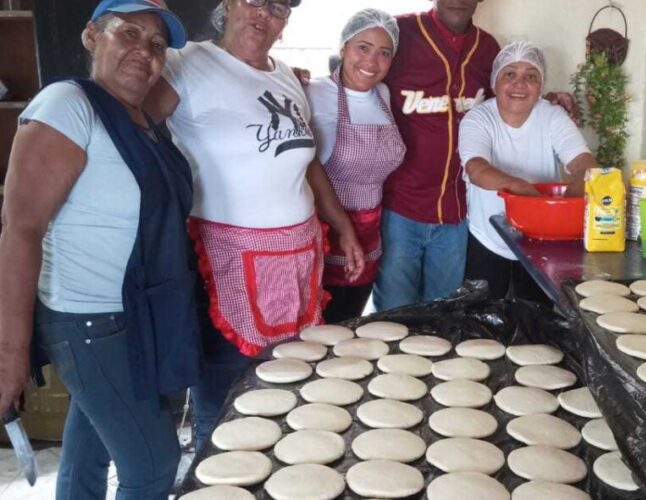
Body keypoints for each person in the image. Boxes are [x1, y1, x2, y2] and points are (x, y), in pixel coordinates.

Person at [0, 1, 200, 498]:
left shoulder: (143, 119)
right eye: (128, 33)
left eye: (157, 44)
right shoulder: (67, 103)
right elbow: (21, 229)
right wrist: (9, 356)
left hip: (136, 317)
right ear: (92, 37)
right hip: (89, 323)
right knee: (154, 463)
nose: (144, 51)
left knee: (89, 448)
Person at [144, 0, 364, 448]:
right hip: (229, 266)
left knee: (287, 383)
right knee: (226, 399)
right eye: (254, 1)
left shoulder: (286, 76)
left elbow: (306, 162)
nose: (265, 14)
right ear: (227, 4)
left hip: (299, 261)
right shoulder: (188, 64)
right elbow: (132, 127)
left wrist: (342, 224)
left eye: (279, 7)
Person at [372, 0, 500, 312]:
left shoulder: (487, 47)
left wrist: (548, 103)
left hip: (456, 213)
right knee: (393, 316)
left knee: (443, 316)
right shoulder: (400, 32)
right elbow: (353, 77)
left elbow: (506, 107)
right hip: (400, 209)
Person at [459, 41, 597, 299]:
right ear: (494, 82)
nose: (519, 84)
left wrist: (565, 207)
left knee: (536, 326)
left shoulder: (552, 116)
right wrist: (524, 190)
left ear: (540, 86)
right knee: (482, 329)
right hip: (487, 241)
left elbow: (584, 164)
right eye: (509, 74)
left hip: (542, 244)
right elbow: (476, 169)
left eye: (530, 76)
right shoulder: (478, 119)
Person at [305, 9, 406, 323]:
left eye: (384, 52)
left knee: (352, 325)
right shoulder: (312, 92)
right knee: (320, 329)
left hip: (370, 236)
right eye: (363, 47)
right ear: (343, 48)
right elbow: (304, 166)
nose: (371, 61)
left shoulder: (383, 94)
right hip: (325, 232)